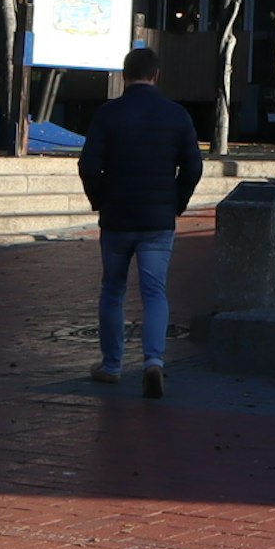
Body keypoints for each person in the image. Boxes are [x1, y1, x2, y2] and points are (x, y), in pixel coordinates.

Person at [79, 44, 205, 398]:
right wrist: (176, 202)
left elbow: (88, 165)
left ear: (124, 75)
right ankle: (153, 361)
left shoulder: (107, 114)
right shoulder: (176, 115)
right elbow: (193, 166)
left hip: (117, 217)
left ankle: (112, 365)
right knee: (154, 292)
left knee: (112, 290)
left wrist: (99, 199)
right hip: (157, 219)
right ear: (156, 75)